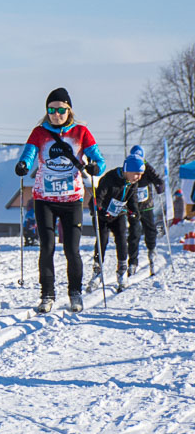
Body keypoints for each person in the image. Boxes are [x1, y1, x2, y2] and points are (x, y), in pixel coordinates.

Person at [15, 87, 105, 314]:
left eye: (61, 109)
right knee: (47, 247)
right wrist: (24, 165)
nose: (56, 114)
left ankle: (75, 293)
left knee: (71, 249)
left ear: (69, 110)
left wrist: (96, 167)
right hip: (44, 198)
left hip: (72, 199)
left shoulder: (81, 132)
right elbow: (28, 154)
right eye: (52, 110)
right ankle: (47, 295)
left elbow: (100, 161)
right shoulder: (39, 132)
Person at [88, 155, 143, 292]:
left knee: (121, 240)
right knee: (102, 240)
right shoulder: (110, 178)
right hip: (103, 213)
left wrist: (134, 212)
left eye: (140, 174)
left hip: (118, 213)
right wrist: (99, 210)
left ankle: (122, 272)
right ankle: (97, 272)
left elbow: (132, 201)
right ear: (127, 170)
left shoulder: (132, 183)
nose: (138, 177)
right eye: (136, 174)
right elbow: (99, 196)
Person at [124, 146, 165, 275]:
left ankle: (152, 250)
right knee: (134, 233)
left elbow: (158, 179)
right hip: (133, 205)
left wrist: (160, 186)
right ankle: (133, 261)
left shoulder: (147, 168)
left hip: (147, 205)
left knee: (150, 229)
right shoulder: (129, 166)